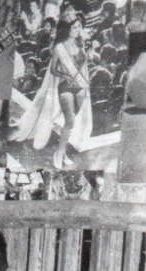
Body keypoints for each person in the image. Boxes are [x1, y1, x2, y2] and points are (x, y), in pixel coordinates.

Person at [10, 17, 92, 169]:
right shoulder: (60, 47)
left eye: (79, 27)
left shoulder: (80, 45)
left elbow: (84, 67)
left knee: (71, 122)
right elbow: (53, 70)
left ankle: (63, 152)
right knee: (70, 121)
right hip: (65, 86)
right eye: (74, 27)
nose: (77, 30)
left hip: (80, 87)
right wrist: (67, 76)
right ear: (67, 29)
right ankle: (59, 154)